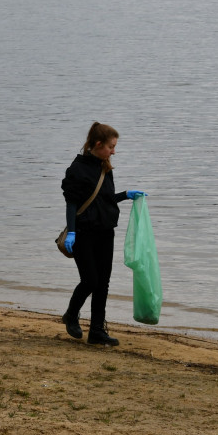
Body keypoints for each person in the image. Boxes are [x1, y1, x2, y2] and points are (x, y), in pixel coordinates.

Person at [60, 122, 145, 346]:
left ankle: (97, 330)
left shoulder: (103, 165)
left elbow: (103, 200)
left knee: (103, 283)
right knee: (90, 280)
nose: (114, 151)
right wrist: (72, 232)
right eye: (111, 147)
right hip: (83, 233)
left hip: (106, 232)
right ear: (98, 144)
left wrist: (126, 194)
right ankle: (71, 314)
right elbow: (72, 203)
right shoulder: (77, 169)